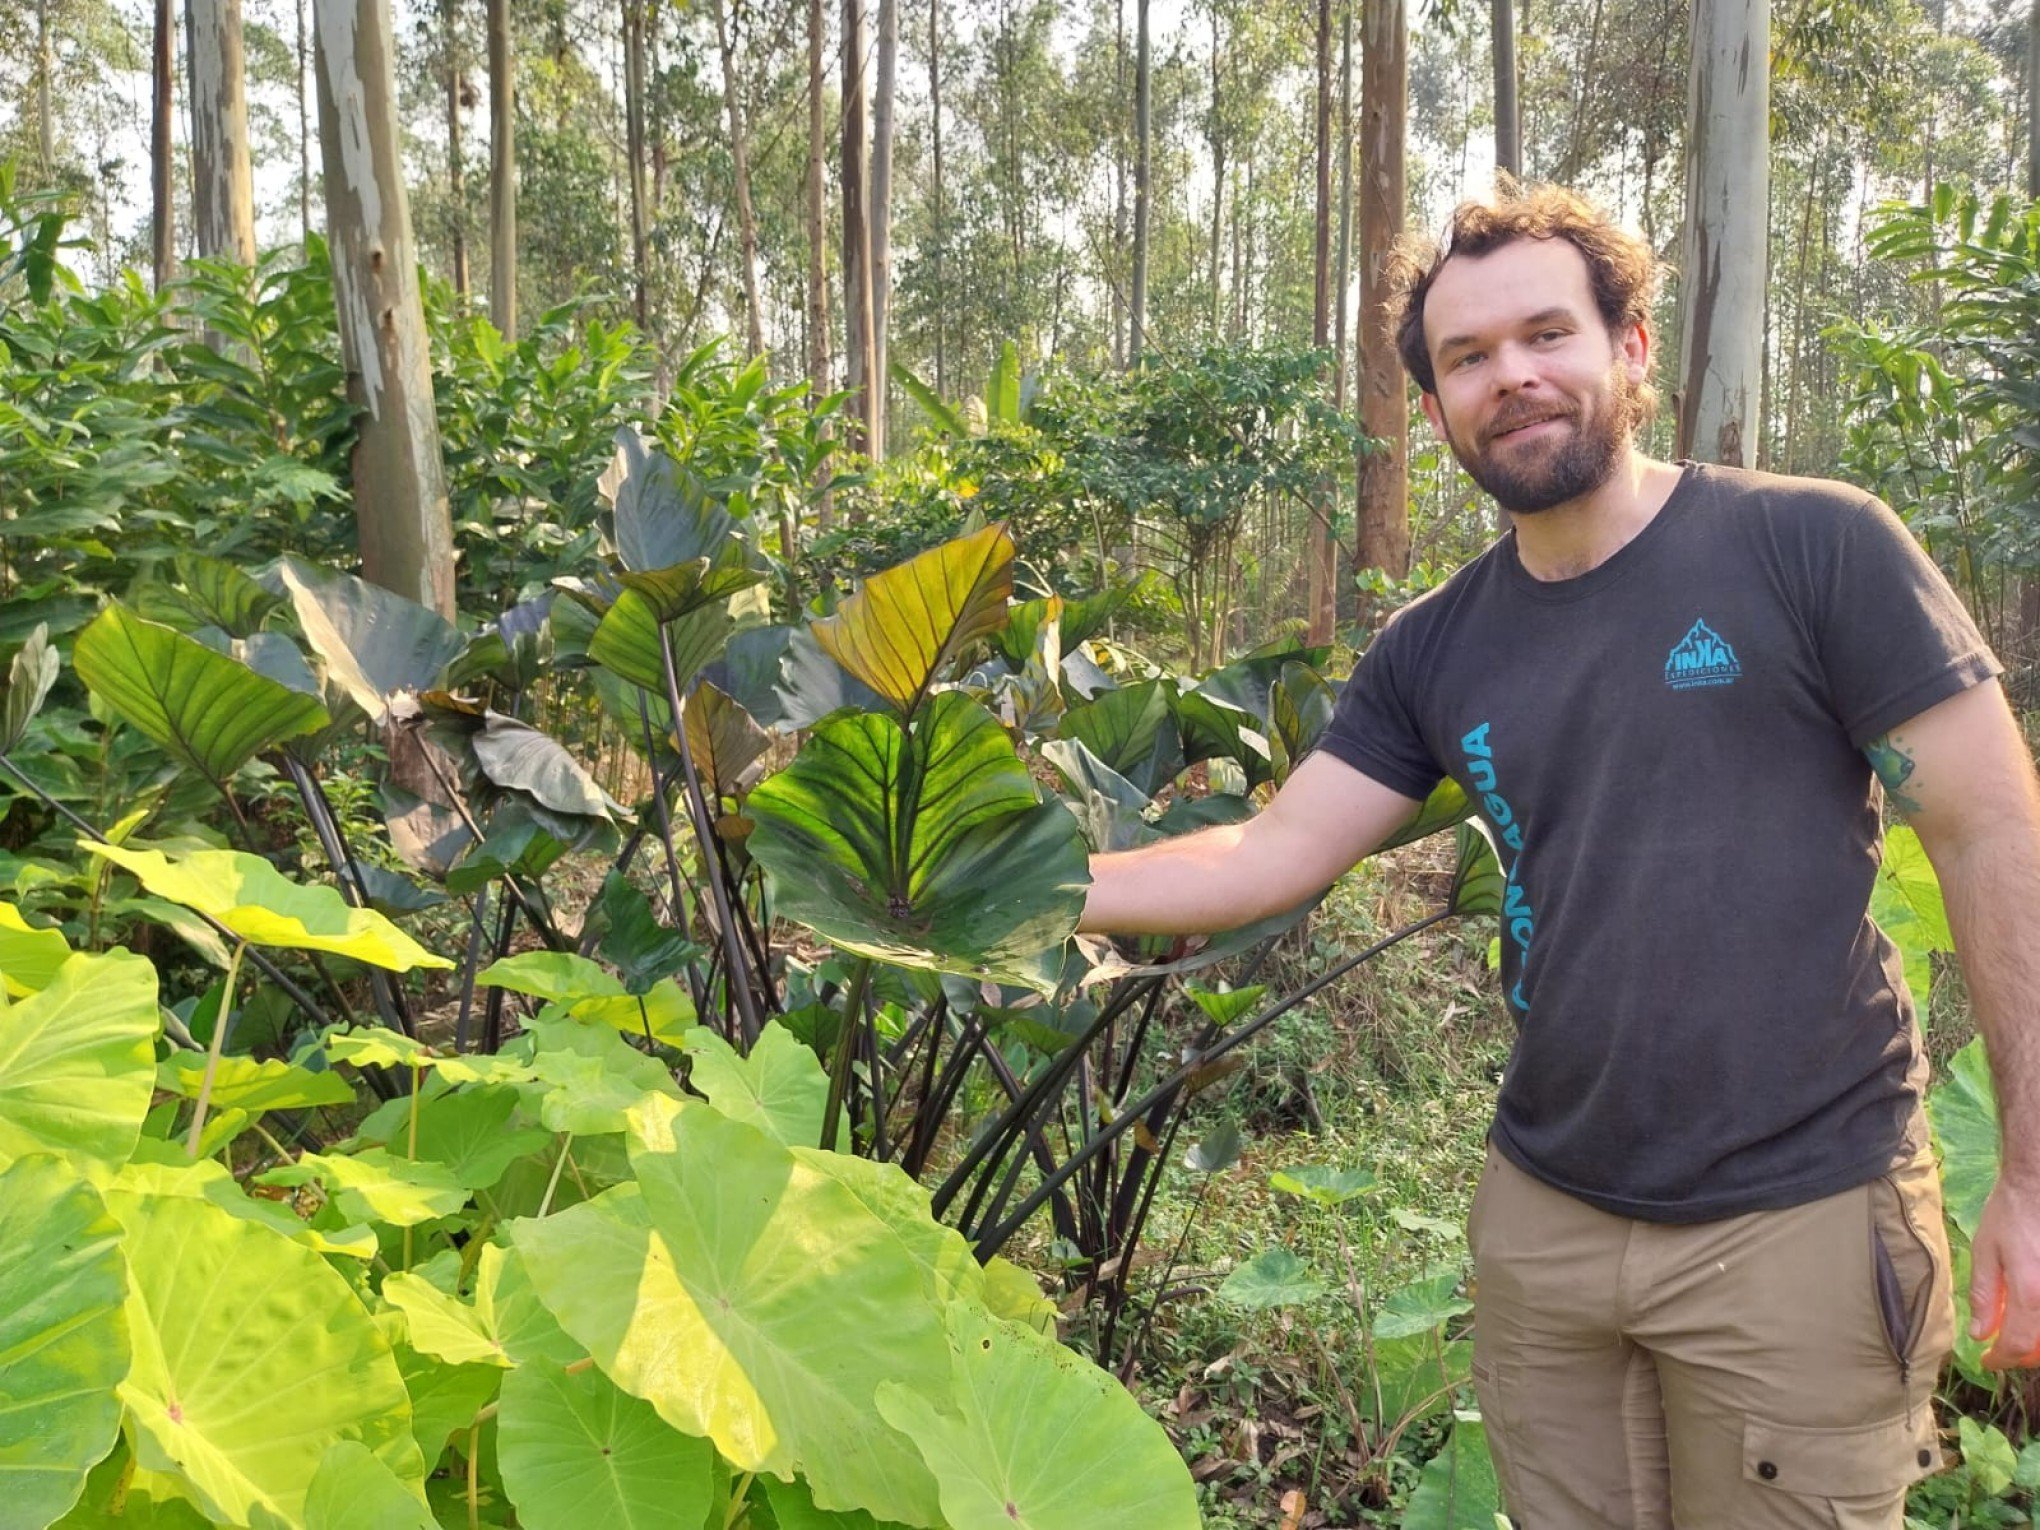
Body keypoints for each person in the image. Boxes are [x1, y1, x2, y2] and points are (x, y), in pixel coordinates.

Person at [1079, 183, 2040, 1527]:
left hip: (1801, 1210)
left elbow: (1993, 827)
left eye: (1546, 333)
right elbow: (1269, 849)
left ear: (1631, 347)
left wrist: (2035, 1181)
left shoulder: (1809, 546)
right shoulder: (1434, 643)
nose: (1511, 376)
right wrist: (1033, 891)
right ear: (1434, 412)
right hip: (1549, 1218)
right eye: (1467, 359)